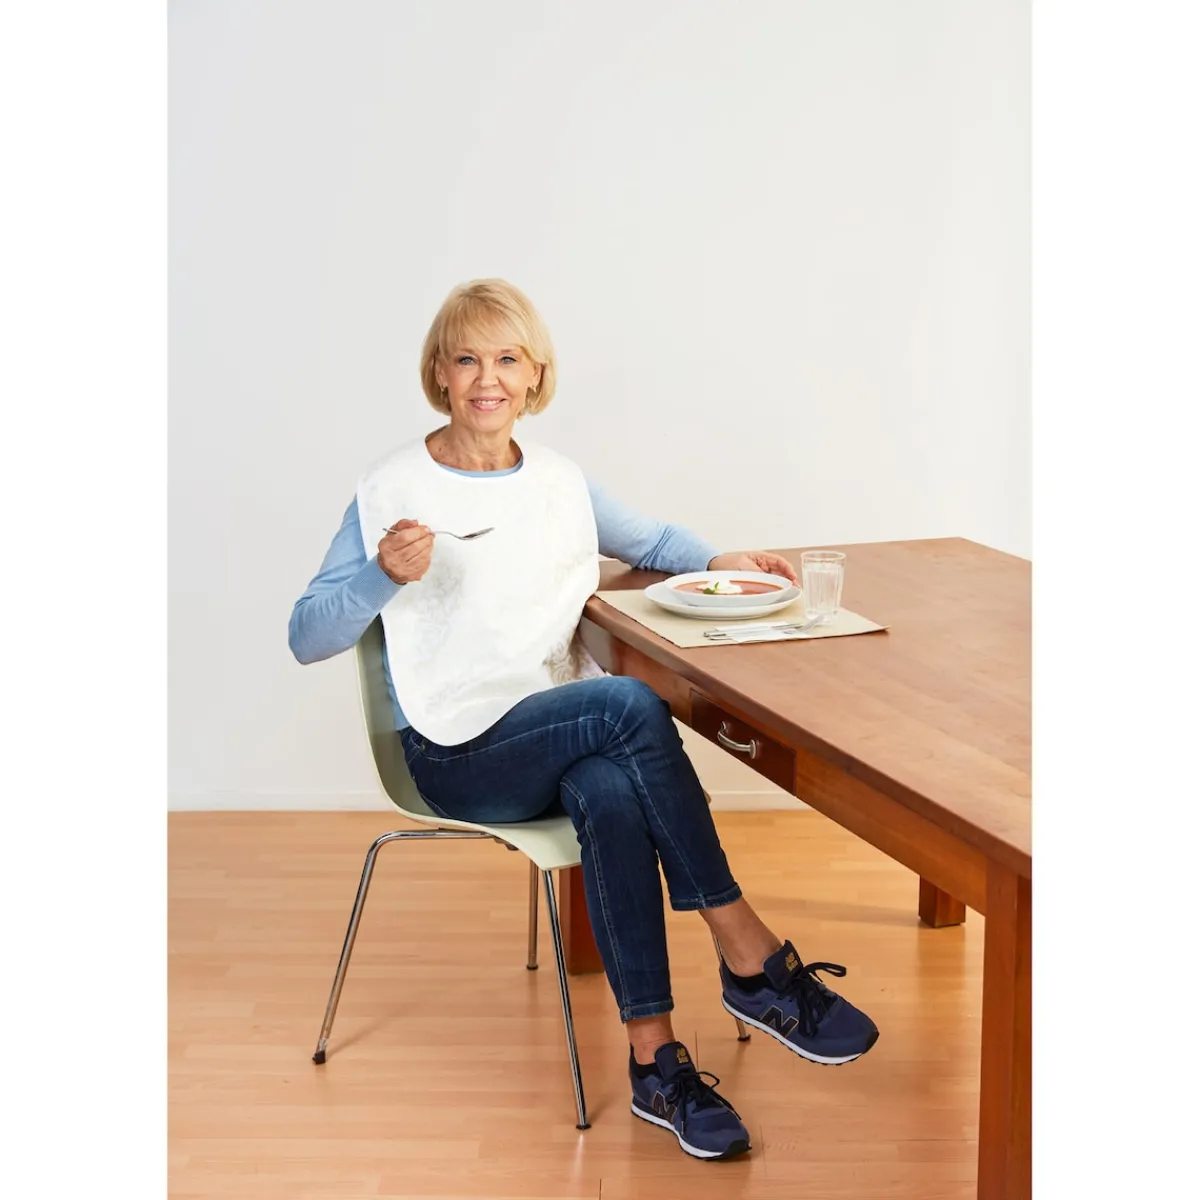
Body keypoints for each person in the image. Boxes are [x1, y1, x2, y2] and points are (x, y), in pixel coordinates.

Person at [289, 279, 878, 1161]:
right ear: (440, 374)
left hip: (555, 733)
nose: (488, 379)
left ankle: (656, 1065)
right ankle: (748, 952)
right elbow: (306, 635)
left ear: (535, 375)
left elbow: (653, 542)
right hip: (451, 751)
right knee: (628, 703)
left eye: (508, 359)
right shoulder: (391, 488)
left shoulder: (559, 482)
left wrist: (723, 559)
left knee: (608, 786)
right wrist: (380, 575)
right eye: (467, 359)